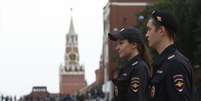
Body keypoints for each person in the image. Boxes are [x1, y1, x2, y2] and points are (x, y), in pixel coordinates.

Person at [146, 10, 193, 101]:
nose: (146, 34)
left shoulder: (175, 64)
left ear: (161, 31)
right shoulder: (163, 62)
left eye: (149, 29)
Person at [108, 27, 152, 101]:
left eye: (121, 43)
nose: (117, 48)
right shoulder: (127, 68)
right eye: (117, 44)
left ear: (134, 44)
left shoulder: (139, 68)